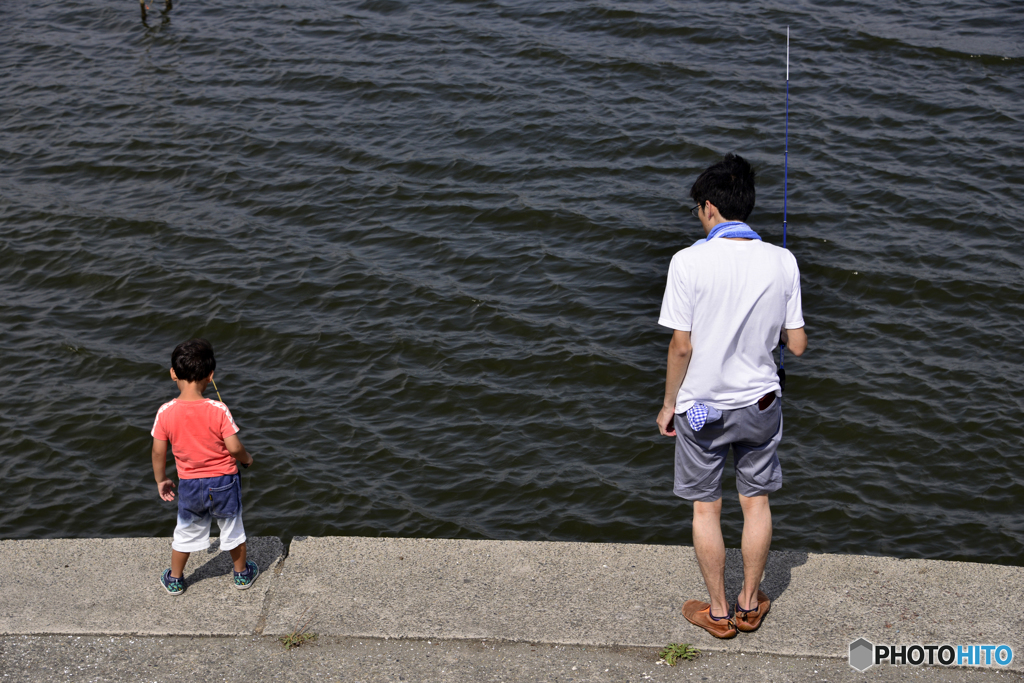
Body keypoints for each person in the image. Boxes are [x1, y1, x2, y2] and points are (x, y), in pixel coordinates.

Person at [655, 153, 807, 638]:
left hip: (702, 408)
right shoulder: (782, 260)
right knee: (755, 502)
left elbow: (681, 346)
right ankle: (749, 605)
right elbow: (797, 345)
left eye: (698, 210)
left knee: (706, 507)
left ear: (709, 207)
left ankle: (719, 613)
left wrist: (669, 406)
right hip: (760, 405)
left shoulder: (688, 261)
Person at [151, 338, 258, 595]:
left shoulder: (165, 412)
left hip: (190, 484)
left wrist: (161, 479)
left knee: (185, 532)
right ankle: (241, 575)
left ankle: (175, 579)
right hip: (224, 482)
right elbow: (234, 447)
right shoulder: (218, 409)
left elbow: (158, 451)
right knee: (232, 528)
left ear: (173, 373)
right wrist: (246, 459)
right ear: (210, 376)